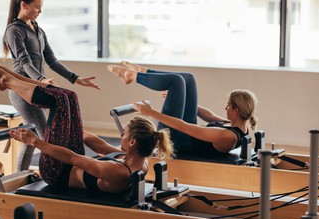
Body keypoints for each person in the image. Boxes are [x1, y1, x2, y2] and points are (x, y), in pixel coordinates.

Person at [0, 63, 174, 193]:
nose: (121, 135)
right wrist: (67, 125)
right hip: (67, 161)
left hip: (56, 172)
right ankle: (9, 77)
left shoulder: (118, 172)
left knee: (59, 101)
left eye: (123, 134)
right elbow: (98, 145)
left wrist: (35, 141)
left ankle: (7, 81)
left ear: (132, 141)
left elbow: (71, 157)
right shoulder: (137, 160)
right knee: (69, 97)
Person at [3, 0, 100, 171]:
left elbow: (52, 61)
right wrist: (40, 79)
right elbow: (24, 62)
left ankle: (19, 175)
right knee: (43, 136)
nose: (40, 11)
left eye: (41, 7)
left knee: (33, 137)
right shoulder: (14, 30)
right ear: (24, 4)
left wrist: (76, 79)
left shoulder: (37, 29)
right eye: (37, 7)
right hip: (22, 90)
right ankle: (59, 172)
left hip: (37, 87)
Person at [107, 61, 258, 157]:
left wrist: (151, 112)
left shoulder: (228, 137)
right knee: (189, 78)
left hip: (176, 143)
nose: (225, 108)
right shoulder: (239, 126)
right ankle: (146, 72)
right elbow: (209, 116)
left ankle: (132, 76)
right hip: (184, 136)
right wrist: (179, 98)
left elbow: (182, 126)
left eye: (228, 105)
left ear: (236, 110)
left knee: (176, 81)